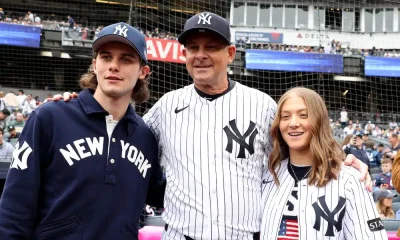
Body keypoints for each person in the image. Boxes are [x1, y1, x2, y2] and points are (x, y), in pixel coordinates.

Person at [57, 12, 370, 240]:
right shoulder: (167, 106)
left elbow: (300, 144)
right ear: (185, 55)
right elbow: (120, 130)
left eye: (212, 47)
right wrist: (76, 105)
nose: (201, 55)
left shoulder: (262, 105)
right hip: (180, 235)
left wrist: (349, 160)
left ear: (230, 53)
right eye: (194, 48)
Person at [0, 22, 165, 239]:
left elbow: (164, 195)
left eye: (126, 59)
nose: (114, 66)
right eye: (106, 57)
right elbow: (15, 206)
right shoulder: (50, 117)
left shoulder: (145, 136)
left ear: (143, 71)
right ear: (95, 65)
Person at [261, 87, 386, 239]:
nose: (293, 123)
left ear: (319, 121)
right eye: (285, 116)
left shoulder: (351, 180)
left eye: (303, 115)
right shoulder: (267, 175)